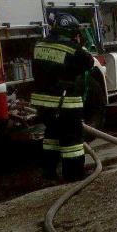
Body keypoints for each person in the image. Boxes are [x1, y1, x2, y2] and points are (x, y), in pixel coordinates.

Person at [31, 13, 95, 181]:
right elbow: (89, 63)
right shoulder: (73, 49)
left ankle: (49, 173)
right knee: (72, 141)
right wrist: (80, 45)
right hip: (66, 103)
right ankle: (73, 176)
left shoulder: (39, 45)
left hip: (43, 104)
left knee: (51, 137)